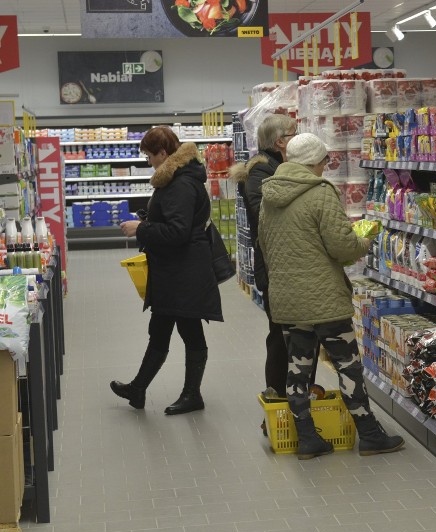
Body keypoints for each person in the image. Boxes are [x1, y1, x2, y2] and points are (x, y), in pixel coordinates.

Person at [259, 133, 404, 460]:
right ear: (313, 162)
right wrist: (364, 242)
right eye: (324, 161)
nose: (326, 167)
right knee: (348, 365)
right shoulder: (320, 193)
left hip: (288, 299)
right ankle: (369, 435)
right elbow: (342, 248)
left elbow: (265, 245)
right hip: (323, 299)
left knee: (298, 369)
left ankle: (307, 438)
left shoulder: (270, 194)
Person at [111, 126, 223, 415]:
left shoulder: (181, 184)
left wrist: (142, 228)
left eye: (149, 156)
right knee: (159, 329)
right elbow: (176, 221)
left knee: (190, 330)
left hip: (184, 271)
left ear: (163, 153)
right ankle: (137, 389)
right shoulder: (175, 178)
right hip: (174, 270)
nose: (148, 161)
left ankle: (192, 395)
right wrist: (150, 218)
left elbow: (178, 232)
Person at [229, 115, 297, 409]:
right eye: (294, 133)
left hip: (286, 264)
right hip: (274, 266)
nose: (298, 137)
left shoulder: (278, 167)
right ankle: (278, 399)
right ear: (279, 141)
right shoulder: (260, 172)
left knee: (291, 336)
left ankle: (293, 398)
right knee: (280, 336)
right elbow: (263, 216)